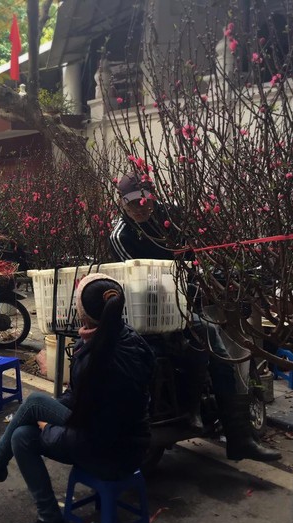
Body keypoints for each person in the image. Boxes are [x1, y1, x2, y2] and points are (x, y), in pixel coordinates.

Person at [0, 274, 154, 523]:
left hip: (111, 450)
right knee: (22, 434)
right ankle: (47, 517)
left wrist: (50, 429)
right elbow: (79, 401)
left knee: (33, 407)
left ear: (83, 314)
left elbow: (97, 430)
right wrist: (49, 418)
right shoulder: (124, 337)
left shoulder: (101, 355)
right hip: (119, 439)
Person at [108, 173, 280, 462]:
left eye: (144, 201)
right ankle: (218, 425)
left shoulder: (170, 215)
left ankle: (230, 429)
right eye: (132, 203)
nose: (140, 208)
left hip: (185, 296)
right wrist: (186, 276)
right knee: (212, 340)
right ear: (121, 203)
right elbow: (143, 276)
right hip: (150, 308)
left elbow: (196, 250)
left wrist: (215, 274)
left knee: (212, 339)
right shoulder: (121, 235)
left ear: (152, 197)